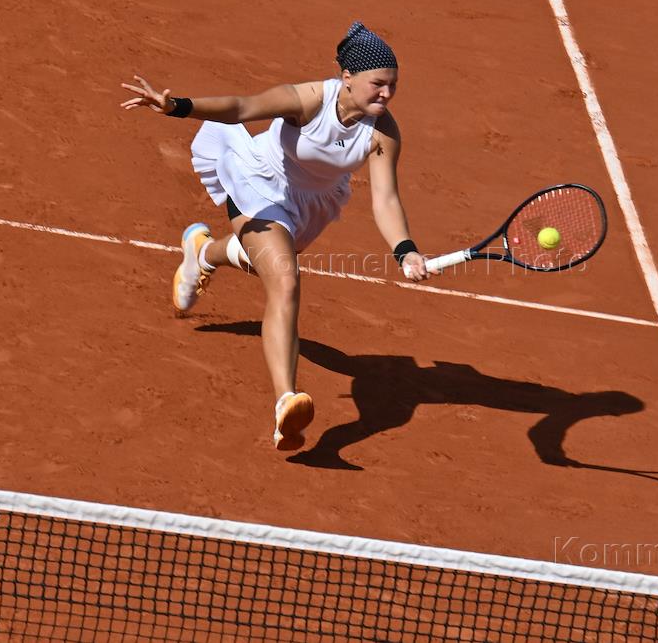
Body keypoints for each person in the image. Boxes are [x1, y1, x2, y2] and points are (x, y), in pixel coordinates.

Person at [120, 22, 431, 452]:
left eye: (393, 85)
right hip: (259, 182)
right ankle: (287, 401)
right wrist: (178, 106)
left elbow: (385, 199)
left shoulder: (383, 133)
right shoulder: (309, 100)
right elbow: (242, 107)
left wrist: (405, 250)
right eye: (378, 84)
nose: (387, 94)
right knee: (284, 282)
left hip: (310, 206)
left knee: (264, 266)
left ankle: (203, 253)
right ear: (347, 78)